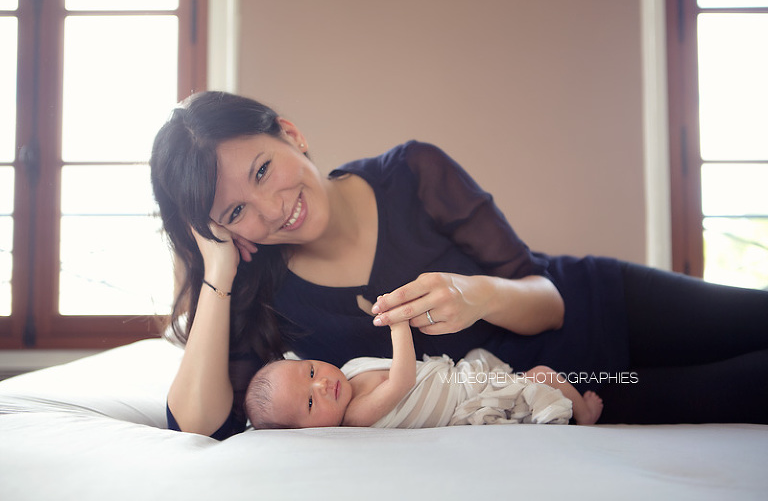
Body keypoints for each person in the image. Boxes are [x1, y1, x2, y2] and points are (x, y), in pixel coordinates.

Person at [150, 91, 768, 439]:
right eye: (236, 211)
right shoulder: (262, 293)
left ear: (290, 133)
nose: (272, 209)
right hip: (571, 391)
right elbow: (196, 425)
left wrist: (478, 294)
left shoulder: (412, 173)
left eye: (263, 170)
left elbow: (548, 300)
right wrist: (218, 269)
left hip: (602, 299)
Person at [244, 321, 603, 429]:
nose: (321, 384)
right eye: (310, 402)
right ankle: (584, 415)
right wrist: (399, 327)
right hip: (466, 400)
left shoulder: (350, 369)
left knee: (484, 359)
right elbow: (402, 381)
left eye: (310, 371)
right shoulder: (355, 416)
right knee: (541, 375)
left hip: (456, 376)